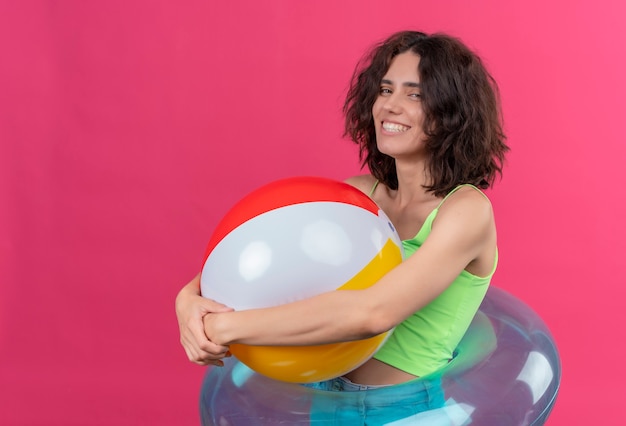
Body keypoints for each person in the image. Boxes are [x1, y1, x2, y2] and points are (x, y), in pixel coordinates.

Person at [176, 30, 509, 419]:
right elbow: (249, 268)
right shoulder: (360, 196)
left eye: (414, 94)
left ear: (451, 111)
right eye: (385, 90)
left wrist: (223, 329)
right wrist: (186, 301)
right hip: (328, 399)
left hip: (402, 411)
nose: (391, 106)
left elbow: (374, 313)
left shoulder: (465, 210)